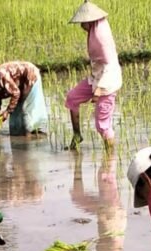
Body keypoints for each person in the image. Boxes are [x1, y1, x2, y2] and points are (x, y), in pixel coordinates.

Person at [65, 1, 122, 151]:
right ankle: (77, 135)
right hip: (96, 78)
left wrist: (99, 90)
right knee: (72, 97)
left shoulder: (101, 37)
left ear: (90, 20)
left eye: (83, 21)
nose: (81, 25)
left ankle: (110, 158)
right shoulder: (94, 32)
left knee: (102, 125)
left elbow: (109, 65)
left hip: (107, 83)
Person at [0, 61, 48, 137]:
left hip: (30, 76)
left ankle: (30, 136)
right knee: (15, 116)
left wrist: (7, 112)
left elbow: (16, 93)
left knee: (24, 109)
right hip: (20, 85)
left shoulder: (1, 75)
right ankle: (21, 135)